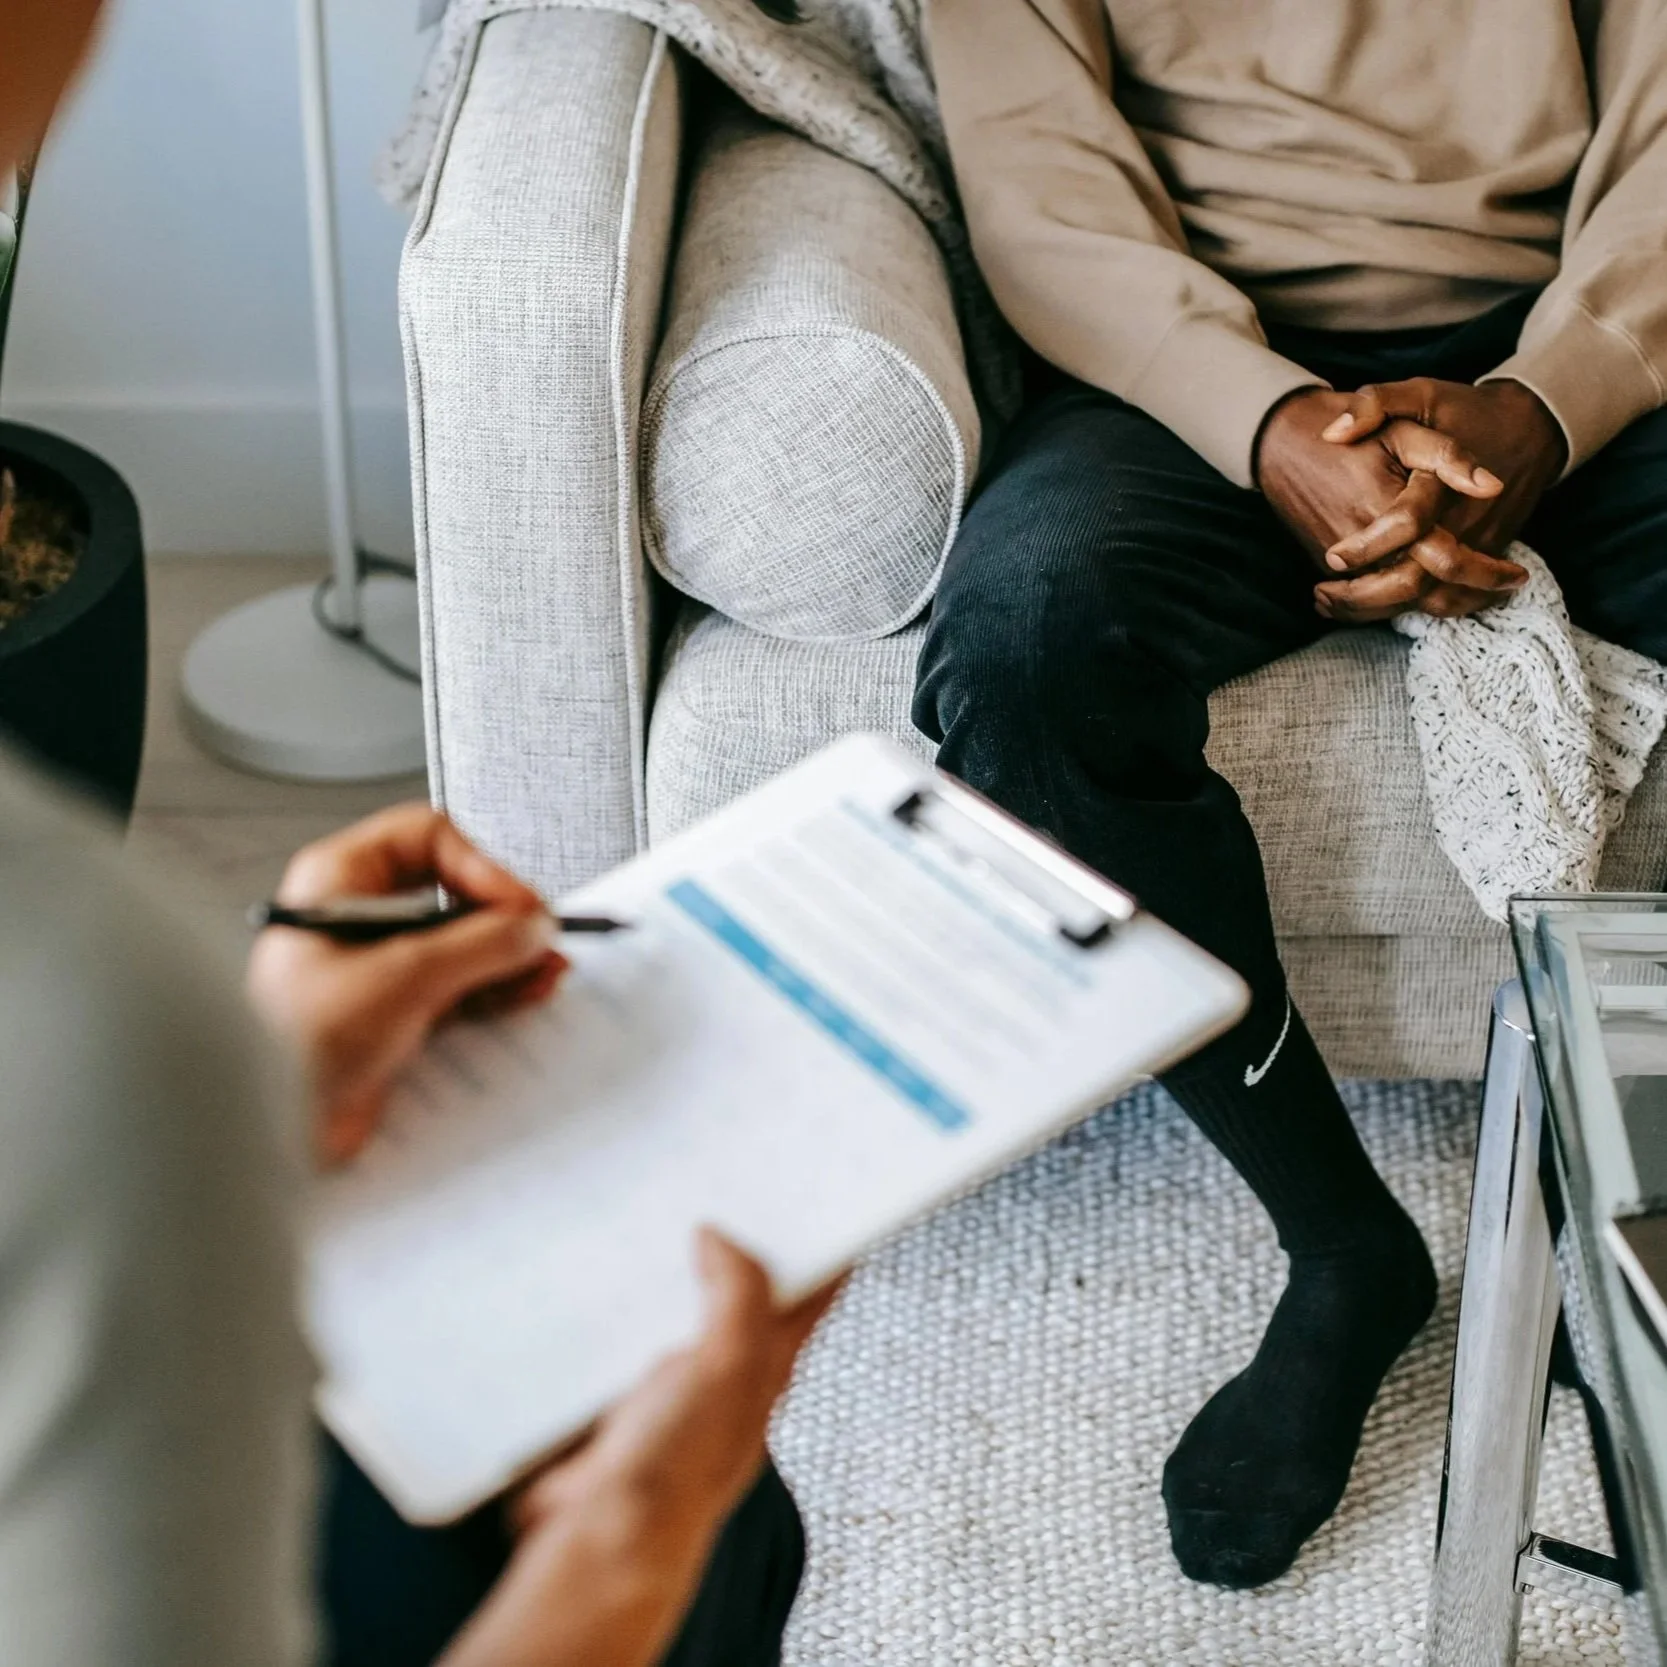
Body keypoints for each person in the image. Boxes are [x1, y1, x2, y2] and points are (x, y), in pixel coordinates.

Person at [914, 0, 1667, 1591]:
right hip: (1194, 375)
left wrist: (1544, 404)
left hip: (1567, 335)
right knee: (1026, 648)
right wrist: (1266, 427)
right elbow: (1043, 201)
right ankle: (1341, 1244)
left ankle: (1631, 1222)